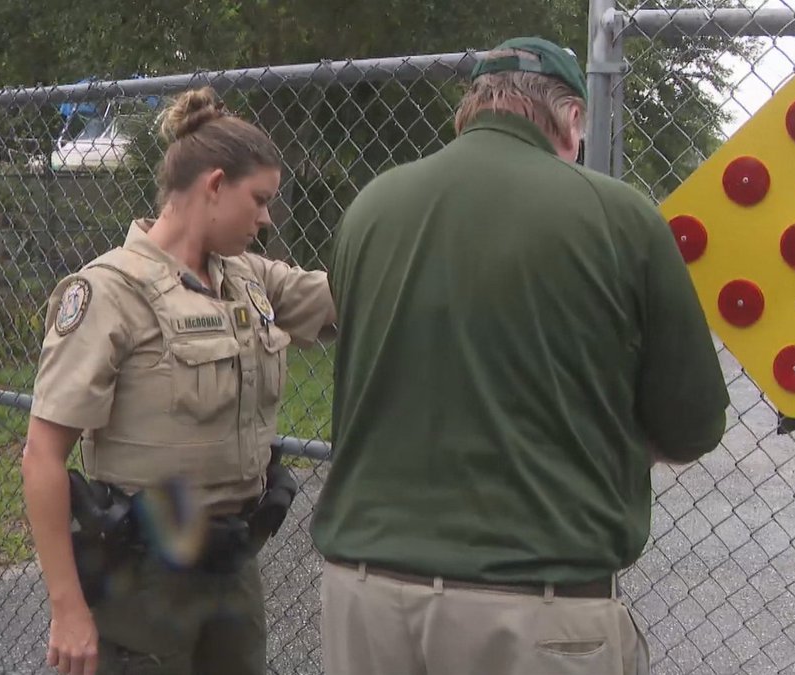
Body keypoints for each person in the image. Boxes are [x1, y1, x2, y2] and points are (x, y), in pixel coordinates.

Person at [311, 36, 731, 675]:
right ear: (571, 118)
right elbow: (692, 425)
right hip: (534, 601)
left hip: (364, 596)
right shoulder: (618, 215)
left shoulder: (370, 207)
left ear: (473, 107)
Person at [20, 86, 336, 675]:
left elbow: (346, 296)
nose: (266, 218)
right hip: (144, 584)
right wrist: (67, 608)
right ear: (214, 185)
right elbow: (42, 456)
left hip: (232, 566)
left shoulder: (246, 278)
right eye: (259, 200)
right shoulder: (109, 292)